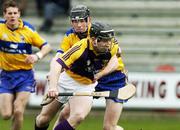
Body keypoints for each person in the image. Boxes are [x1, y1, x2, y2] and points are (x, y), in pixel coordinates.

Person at [47, 21, 123, 130]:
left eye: (109, 40)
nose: (108, 44)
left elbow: (115, 61)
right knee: (54, 116)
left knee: (84, 118)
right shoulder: (80, 48)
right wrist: (53, 86)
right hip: (78, 79)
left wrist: (99, 75)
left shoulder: (112, 46)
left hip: (99, 80)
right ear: (93, 40)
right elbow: (57, 63)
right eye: (104, 40)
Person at [0, 1, 52, 130]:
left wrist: (36, 56)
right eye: (9, 13)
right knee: (6, 115)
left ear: (19, 14)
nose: (12, 16)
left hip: (25, 75)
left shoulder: (28, 30)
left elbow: (47, 46)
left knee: (18, 110)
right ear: (4, 15)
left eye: (15, 13)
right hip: (6, 76)